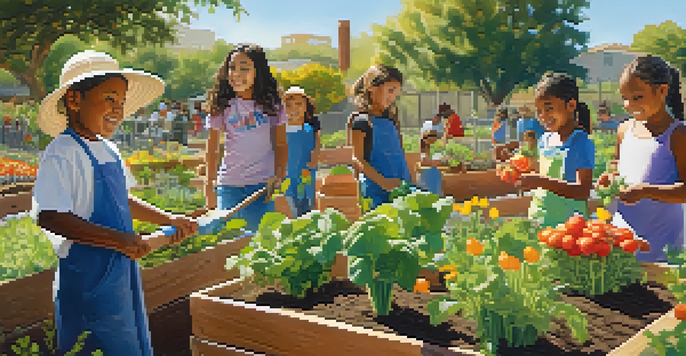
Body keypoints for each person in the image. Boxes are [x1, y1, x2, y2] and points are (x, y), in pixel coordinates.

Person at [33, 50, 197, 356]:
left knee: (126, 341)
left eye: (121, 102)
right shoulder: (63, 151)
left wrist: (169, 219)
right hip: (86, 276)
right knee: (93, 345)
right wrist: (119, 239)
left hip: (119, 271)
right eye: (109, 99)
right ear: (74, 100)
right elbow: (51, 216)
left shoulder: (108, 149)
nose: (118, 109)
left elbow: (123, 199)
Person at [599, 55, 686, 262]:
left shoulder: (678, 134)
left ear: (663, 91)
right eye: (624, 98)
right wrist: (609, 179)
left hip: (663, 243)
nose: (628, 105)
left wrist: (644, 191)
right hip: (625, 238)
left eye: (637, 97)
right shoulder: (623, 131)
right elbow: (619, 171)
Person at [205, 43, 288, 233]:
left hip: (261, 188)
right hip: (228, 185)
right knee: (229, 244)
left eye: (245, 68)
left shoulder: (273, 104)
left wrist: (279, 174)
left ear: (258, 72)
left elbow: (281, 143)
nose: (236, 73)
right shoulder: (221, 104)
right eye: (232, 68)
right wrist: (210, 186)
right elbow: (212, 149)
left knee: (259, 245)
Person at [515, 72, 595, 228]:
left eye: (549, 108)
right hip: (540, 220)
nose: (543, 116)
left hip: (570, 228)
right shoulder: (545, 139)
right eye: (539, 111)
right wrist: (518, 172)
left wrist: (540, 181)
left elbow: (583, 191)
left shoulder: (580, 142)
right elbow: (544, 173)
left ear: (571, 105)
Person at [349, 64, 411, 210]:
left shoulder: (392, 120)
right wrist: (384, 183)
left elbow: (399, 154)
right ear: (372, 87)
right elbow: (357, 159)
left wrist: (409, 181)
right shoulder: (362, 121)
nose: (393, 97)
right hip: (374, 191)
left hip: (399, 187)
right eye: (390, 90)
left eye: (396, 93)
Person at [282, 86, 320, 217]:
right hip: (287, 177)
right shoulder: (280, 131)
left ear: (306, 106)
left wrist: (314, 160)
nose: (294, 109)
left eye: (299, 104)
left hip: (306, 175)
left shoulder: (309, 129)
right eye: (288, 105)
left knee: (307, 208)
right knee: (290, 208)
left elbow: (315, 147)